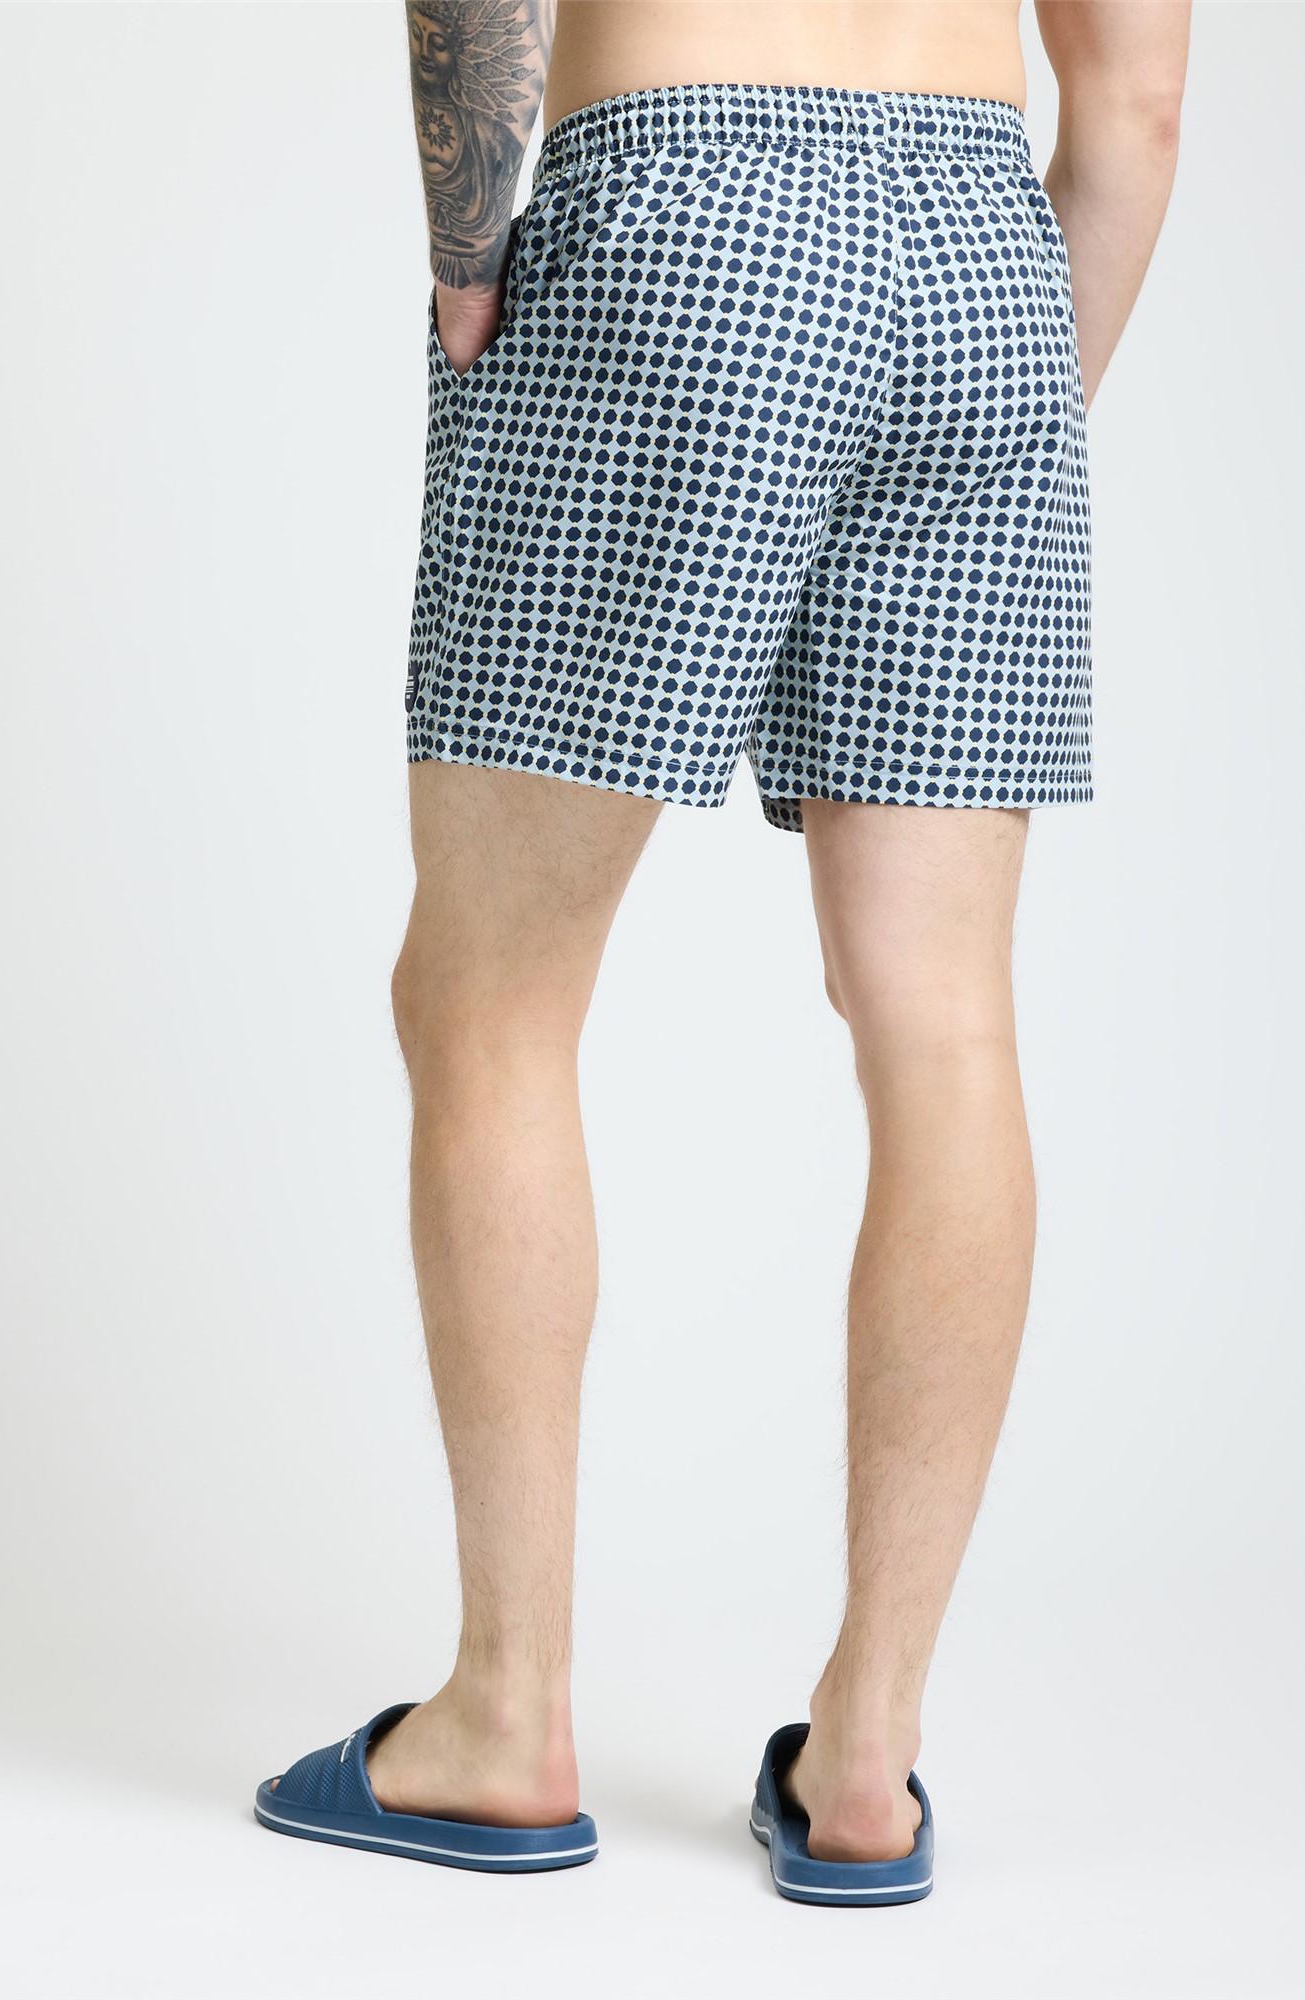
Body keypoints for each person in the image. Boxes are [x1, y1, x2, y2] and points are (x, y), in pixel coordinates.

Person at [255, 0, 1190, 1905]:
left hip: (681, 202)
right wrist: (987, 407)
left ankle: (505, 1719)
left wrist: (470, 260)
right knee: (944, 1028)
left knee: (491, 1000)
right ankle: (868, 1761)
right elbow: (1138, 102)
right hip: (985, 260)